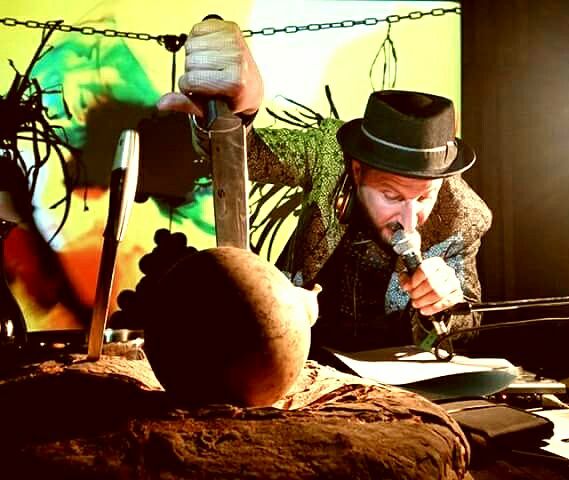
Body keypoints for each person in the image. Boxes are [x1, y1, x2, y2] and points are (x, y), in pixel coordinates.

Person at [158, 18, 492, 354]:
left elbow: (465, 332)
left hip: (394, 367)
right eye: (391, 195)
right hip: (300, 347)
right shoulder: (329, 154)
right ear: (357, 171)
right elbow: (249, 155)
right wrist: (234, 115)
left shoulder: (463, 216)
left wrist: (445, 307)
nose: (409, 220)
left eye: (423, 197)